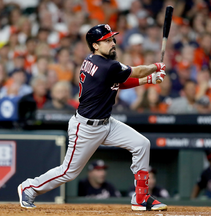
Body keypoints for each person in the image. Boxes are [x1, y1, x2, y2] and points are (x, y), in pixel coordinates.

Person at [17, 24, 167, 211]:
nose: (112, 43)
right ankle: (29, 187)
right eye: (106, 41)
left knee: (142, 144)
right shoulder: (106, 65)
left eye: (112, 39)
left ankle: (141, 198)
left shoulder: (96, 61)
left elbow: (116, 82)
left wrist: (149, 80)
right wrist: (155, 67)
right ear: (95, 45)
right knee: (68, 172)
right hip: (86, 128)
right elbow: (135, 72)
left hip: (106, 123)